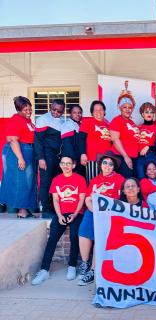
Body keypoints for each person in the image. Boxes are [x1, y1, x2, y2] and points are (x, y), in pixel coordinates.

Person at [31, 156, 86, 285]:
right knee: (52, 239)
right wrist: (59, 215)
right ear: (60, 165)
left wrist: (75, 214)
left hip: (77, 213)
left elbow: (82, 199)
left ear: (73, 165)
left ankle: (72, 266)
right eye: (63, 163)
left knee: (74, 236)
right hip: (61, 213)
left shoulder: (80, 179)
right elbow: (55, 199)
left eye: (68, 163)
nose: (65, 166)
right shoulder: (56, 179)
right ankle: (44, 271)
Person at [77, 152, 124, 286]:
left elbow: (121, 200)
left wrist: (105, 213)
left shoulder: (119, 179)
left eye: (111, 164)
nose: (107, 166)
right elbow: (87, 199)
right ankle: (85, 264)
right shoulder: (95, 180)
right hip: (93, 211)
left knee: (100, 238)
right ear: (100, 165)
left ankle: (93, 270)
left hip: (109, 213)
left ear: (113, 166)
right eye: (105, 163)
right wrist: (95, 211)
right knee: (83, 232)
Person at [0, 96, 37, 217]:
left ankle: (25, 208)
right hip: (17, 152)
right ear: (18, 110)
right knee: (22, 181)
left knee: (28, 181)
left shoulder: (26, 120)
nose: (29, 111)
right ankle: (22, 211)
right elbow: (12, 140)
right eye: (25, 110)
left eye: (30, 109)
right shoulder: (15, 119)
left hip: (26, 150)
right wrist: (20, 158)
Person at [35, 99, 65, 218]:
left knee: (55, 183)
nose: (56, 112)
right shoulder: (43, 119)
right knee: (45, 183)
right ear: (50, 107)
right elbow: (37, 141)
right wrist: (41, 158)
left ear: (63, 111)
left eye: (59, 111)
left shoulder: (62, 121)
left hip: (57, 157)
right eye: (54, 109)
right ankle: (46, 210)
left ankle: (54, 208)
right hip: (46, 155)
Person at [79, 100, 111, 182]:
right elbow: (81, 139)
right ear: (92, 112)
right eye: (95, 110)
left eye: (101, 109)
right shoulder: (87, 122)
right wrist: (83, 154)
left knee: (106, 183)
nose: (98, 112)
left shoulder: (108, 124)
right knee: (93, 183)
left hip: (107, 159)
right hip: (93, 158)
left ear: (104, 111)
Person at [110, 93, 140, 178]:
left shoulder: (131, 122)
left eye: (130, 107)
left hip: (133, 157)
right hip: (122, 158)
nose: (127, 110)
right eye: (125, 107)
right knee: (126, 184)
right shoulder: (117, 120)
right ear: (120, 108)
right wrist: (126, 157)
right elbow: (115, 140)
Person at [136, 102, 156, 179]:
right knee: (141, 180)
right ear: (142, 114)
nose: (149, 114)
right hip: (139, 158)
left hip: (151, 156)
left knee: (152, 180)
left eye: (151, 112)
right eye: (146, 112)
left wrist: (149, 147)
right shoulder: (137, 128)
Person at [61, 105, 85, 177]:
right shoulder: (67, 125)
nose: (77, 115)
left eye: (79, 112)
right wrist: (73, 160)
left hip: (80, 158)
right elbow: (67, 144)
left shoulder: (79, 125)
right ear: (70, 114)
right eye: (74, 113)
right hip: (72, 159)